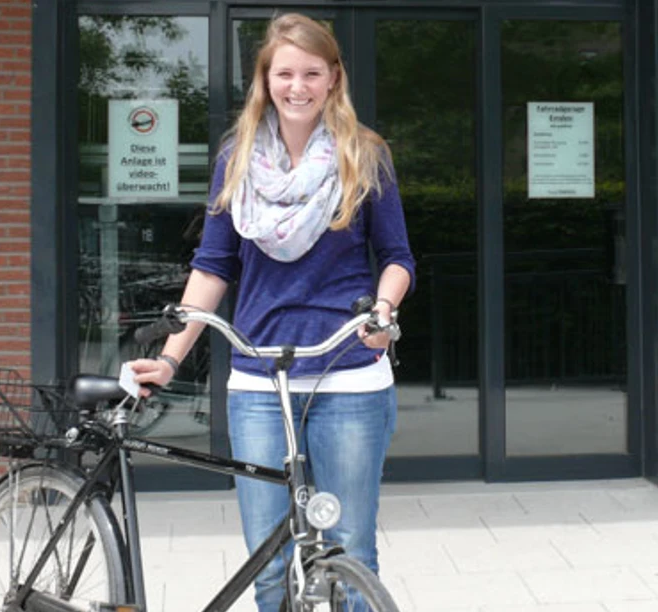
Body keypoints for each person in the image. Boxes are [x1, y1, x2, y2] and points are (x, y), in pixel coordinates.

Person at [125, 12, 413, 612]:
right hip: (257, 380)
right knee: (270, 562)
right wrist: (171, 358)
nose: (298, 86)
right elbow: (212, 268)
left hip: (349, 375)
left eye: (312, 72)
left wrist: (383, 310)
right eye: (285, 73)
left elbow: (396, 258)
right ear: (265, 79)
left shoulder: (364, 155)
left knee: (349, 550)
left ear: (333, 78)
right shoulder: (236, 160)